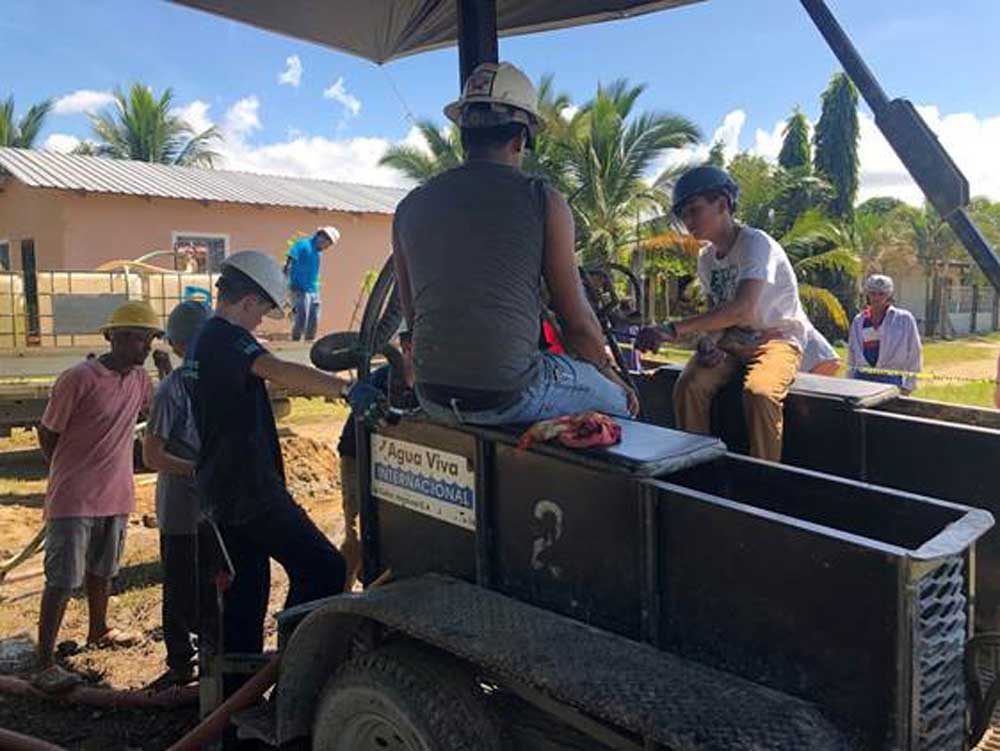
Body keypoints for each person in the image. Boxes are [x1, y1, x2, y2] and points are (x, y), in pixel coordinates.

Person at [392, 61, 637, 426]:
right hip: (510, 395)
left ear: (463, 134)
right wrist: (612, 377)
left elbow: (415, 317)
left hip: (432, 395)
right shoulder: (543, 200)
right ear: (522, 137)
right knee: (623, 407)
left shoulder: (408, 207)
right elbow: (578, 324)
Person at [183, 250, 382, 657]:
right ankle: (295, 668)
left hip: (223, 487)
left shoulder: (205, 341)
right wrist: (345, 389)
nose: (260, 321)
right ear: (249, 300)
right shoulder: (224, 338)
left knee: (247, 593)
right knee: (325, 568)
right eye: (262, 311)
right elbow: (276, 369)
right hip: (249, 489)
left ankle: (236, 702)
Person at [635, 165, 810, 462]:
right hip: (733, 340)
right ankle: (697, 467)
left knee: (760, 394)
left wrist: (672, 330)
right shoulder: (706, 259)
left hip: (776, 339)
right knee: (689, 387)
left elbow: (744, 307)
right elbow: (720, 313)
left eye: (694, 210)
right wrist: (707, 342)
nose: (688, 222)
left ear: (723, 204)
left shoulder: (756, 243)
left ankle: (764, 476)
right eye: (683, 215)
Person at [33, 301, 161, 692]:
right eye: (139, 339)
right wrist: (69, 470)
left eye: (149, 339)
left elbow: (157, 413)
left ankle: (98, 628)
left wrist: (170, 372)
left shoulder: (141, 380)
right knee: (62, 578)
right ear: (114, 338)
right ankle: (44, 660)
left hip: (116, 493)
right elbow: (48, 431)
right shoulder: (78, 378)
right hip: (75, 496)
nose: (145, 348)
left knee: (103, 570)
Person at [142, 301, 210, 685]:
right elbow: (152, 455)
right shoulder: (171, 391)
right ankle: (180, 658)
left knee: (212, 578)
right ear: (184, 345)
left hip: (211, 504)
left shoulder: (214, 383)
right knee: (181, 580)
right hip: (181, 505)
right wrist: (198, 469)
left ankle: (210, 646)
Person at [337, 327, 417, 591]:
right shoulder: (380, 381)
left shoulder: (438, 386)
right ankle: (342, 593)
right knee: (359, 533)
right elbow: (354, 438)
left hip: (406, 470)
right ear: (406, 347)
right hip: (360, 458)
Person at [848, 274, 922, 394]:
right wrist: (850, 382)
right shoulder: (859, 320)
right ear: (867, 294)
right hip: (861, 378)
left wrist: (909, 385)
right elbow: (852, 353)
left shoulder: (904, 319)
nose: (876, 297)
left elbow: (915, 352)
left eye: (881, 294)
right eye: (872, 293)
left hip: (890, 378)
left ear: (889, 295)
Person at [285, 226, 339, 342]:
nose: (326, 247)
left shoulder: (317, 253)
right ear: (321, 237)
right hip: (299, 288)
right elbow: (290, 260)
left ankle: (309, 343)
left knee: (314, 320)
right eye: (327, 243)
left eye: (329, 246)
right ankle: (296, 342)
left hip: (313, 290)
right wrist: (285, 282)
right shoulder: (303, 245)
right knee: (301, 318)